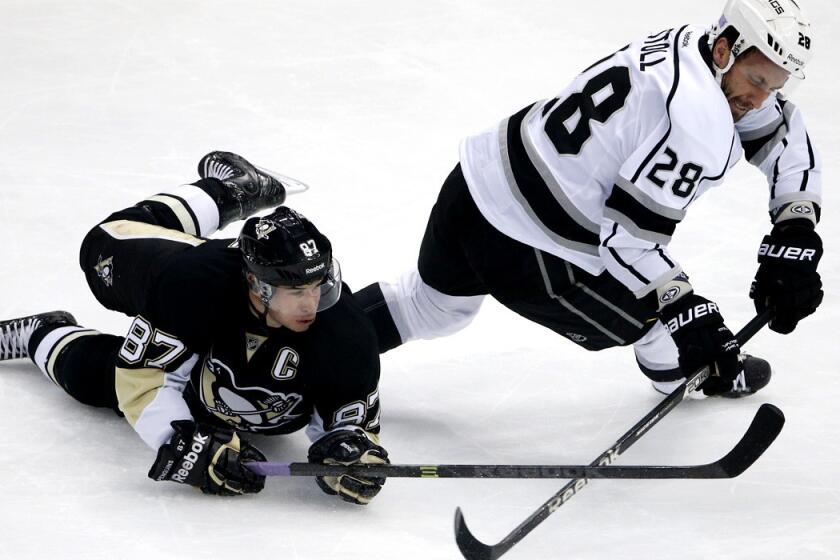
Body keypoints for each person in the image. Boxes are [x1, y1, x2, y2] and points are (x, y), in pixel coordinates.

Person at [357, 0, 823, 397]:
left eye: (775, 86)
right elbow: (629, 245)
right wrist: (687, 312)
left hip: (476, 181)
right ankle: (684, 371)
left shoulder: (692, 44)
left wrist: (795, 223)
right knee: (663, 321)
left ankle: (297, 349)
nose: (761, 100)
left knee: (430, 306)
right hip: (531, 252)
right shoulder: (695, 124)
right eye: (757, 81)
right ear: (726, 51)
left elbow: (778, 131)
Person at [0, 152, 388, 504]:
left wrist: (351, 455)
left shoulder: (346, 331)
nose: (313, 303)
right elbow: (142, 379)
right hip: (194, 324)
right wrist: (181, 441)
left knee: (94, 375)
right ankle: (231, 190)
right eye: (297, 290)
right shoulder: (193, 285)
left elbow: (349, 426)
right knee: (100, 246)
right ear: (256, 283)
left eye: (319, 284)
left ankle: (44, 331)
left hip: (229, 387)